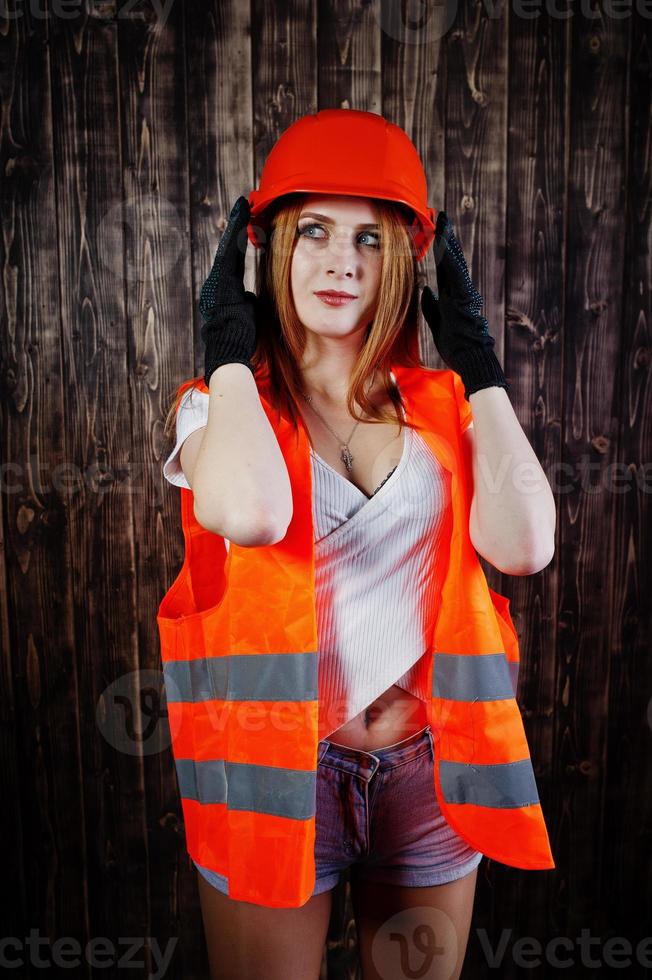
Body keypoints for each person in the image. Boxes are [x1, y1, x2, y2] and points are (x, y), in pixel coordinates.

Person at [160, 110, 556, 980]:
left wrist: (479, 370)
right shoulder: (219, 409)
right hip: (275, 770)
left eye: (372, 240)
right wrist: (230, 349)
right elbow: (258, 514)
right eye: (314, 232)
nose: (342, 261)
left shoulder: (446, 410)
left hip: (430, 771)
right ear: (267, 252)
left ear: (406, 264)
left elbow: (525, 546)